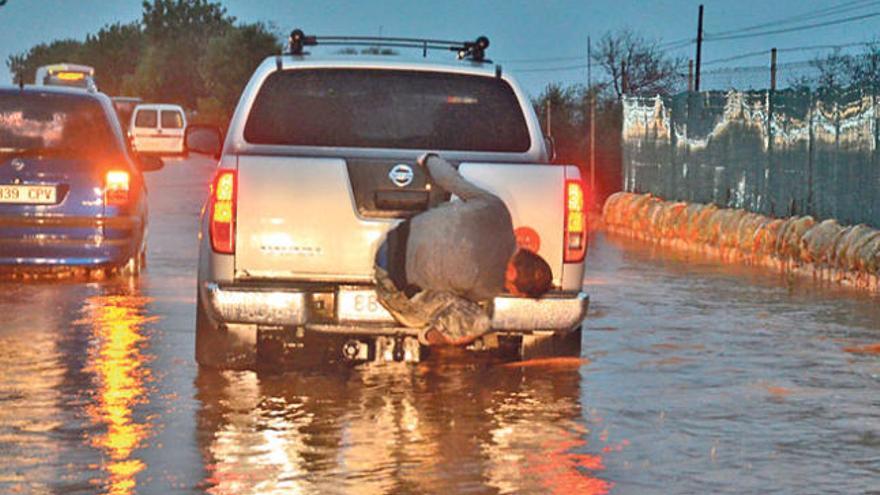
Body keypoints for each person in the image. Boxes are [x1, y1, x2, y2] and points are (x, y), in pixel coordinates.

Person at [374, 152, 553, 346]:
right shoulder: (488, 286)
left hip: (388, 246)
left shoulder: (497, 209)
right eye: (514, 290)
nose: (509, 291)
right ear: (511, 273)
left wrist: (428, 159)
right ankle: (426, 338)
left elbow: (450, 179)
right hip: (391, 286)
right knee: (479, 320)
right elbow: (460, 305)